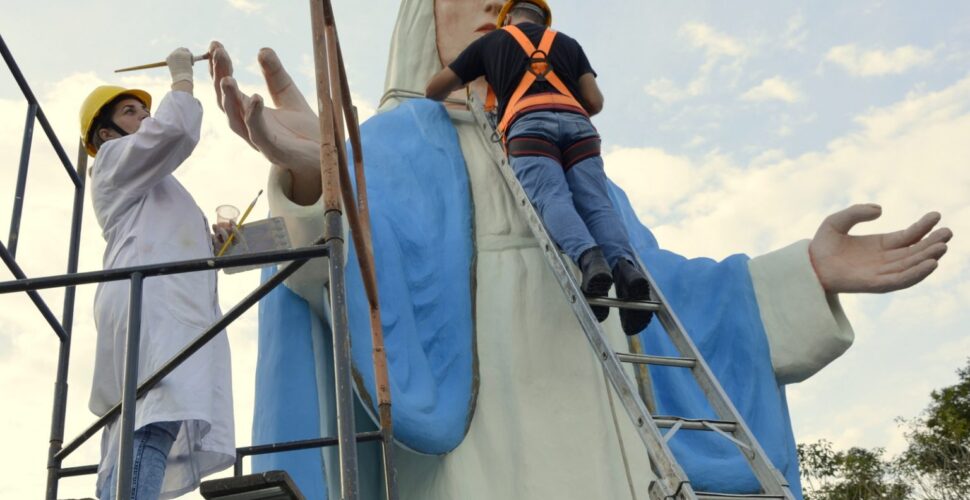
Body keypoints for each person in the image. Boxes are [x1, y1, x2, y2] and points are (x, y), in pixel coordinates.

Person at [207, 0, 951, 497]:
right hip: (488, 454)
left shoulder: (574, 164)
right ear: (425, 33)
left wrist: (804, 275)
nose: (500, 26)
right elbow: (344, 257)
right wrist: (314, 177)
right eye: (475, 10)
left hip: (609, 442)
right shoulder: (396, 147)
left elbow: (670, 294)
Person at [425, 0, 651, 333]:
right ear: (543, 21)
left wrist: (484, 73)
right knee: (598, 204)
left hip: (529, 126)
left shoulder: (491, 42)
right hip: (580, 129)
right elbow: (595, 102)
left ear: (507, 19)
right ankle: (625, 268)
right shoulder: (568, 44)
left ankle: (590, 259)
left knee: (551, 196)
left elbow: (434, 90)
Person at [81, 48, 235, 499]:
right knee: (155, 416)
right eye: (132, 111)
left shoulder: (154, 184)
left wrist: (213, 245)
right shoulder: (112, 161)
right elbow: (176, 129)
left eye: (146, 108)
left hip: (161, 304)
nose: (145, 116)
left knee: (146, 420)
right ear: (106, 134)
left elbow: (166, 241)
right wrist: (182, 79)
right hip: (150, 305)